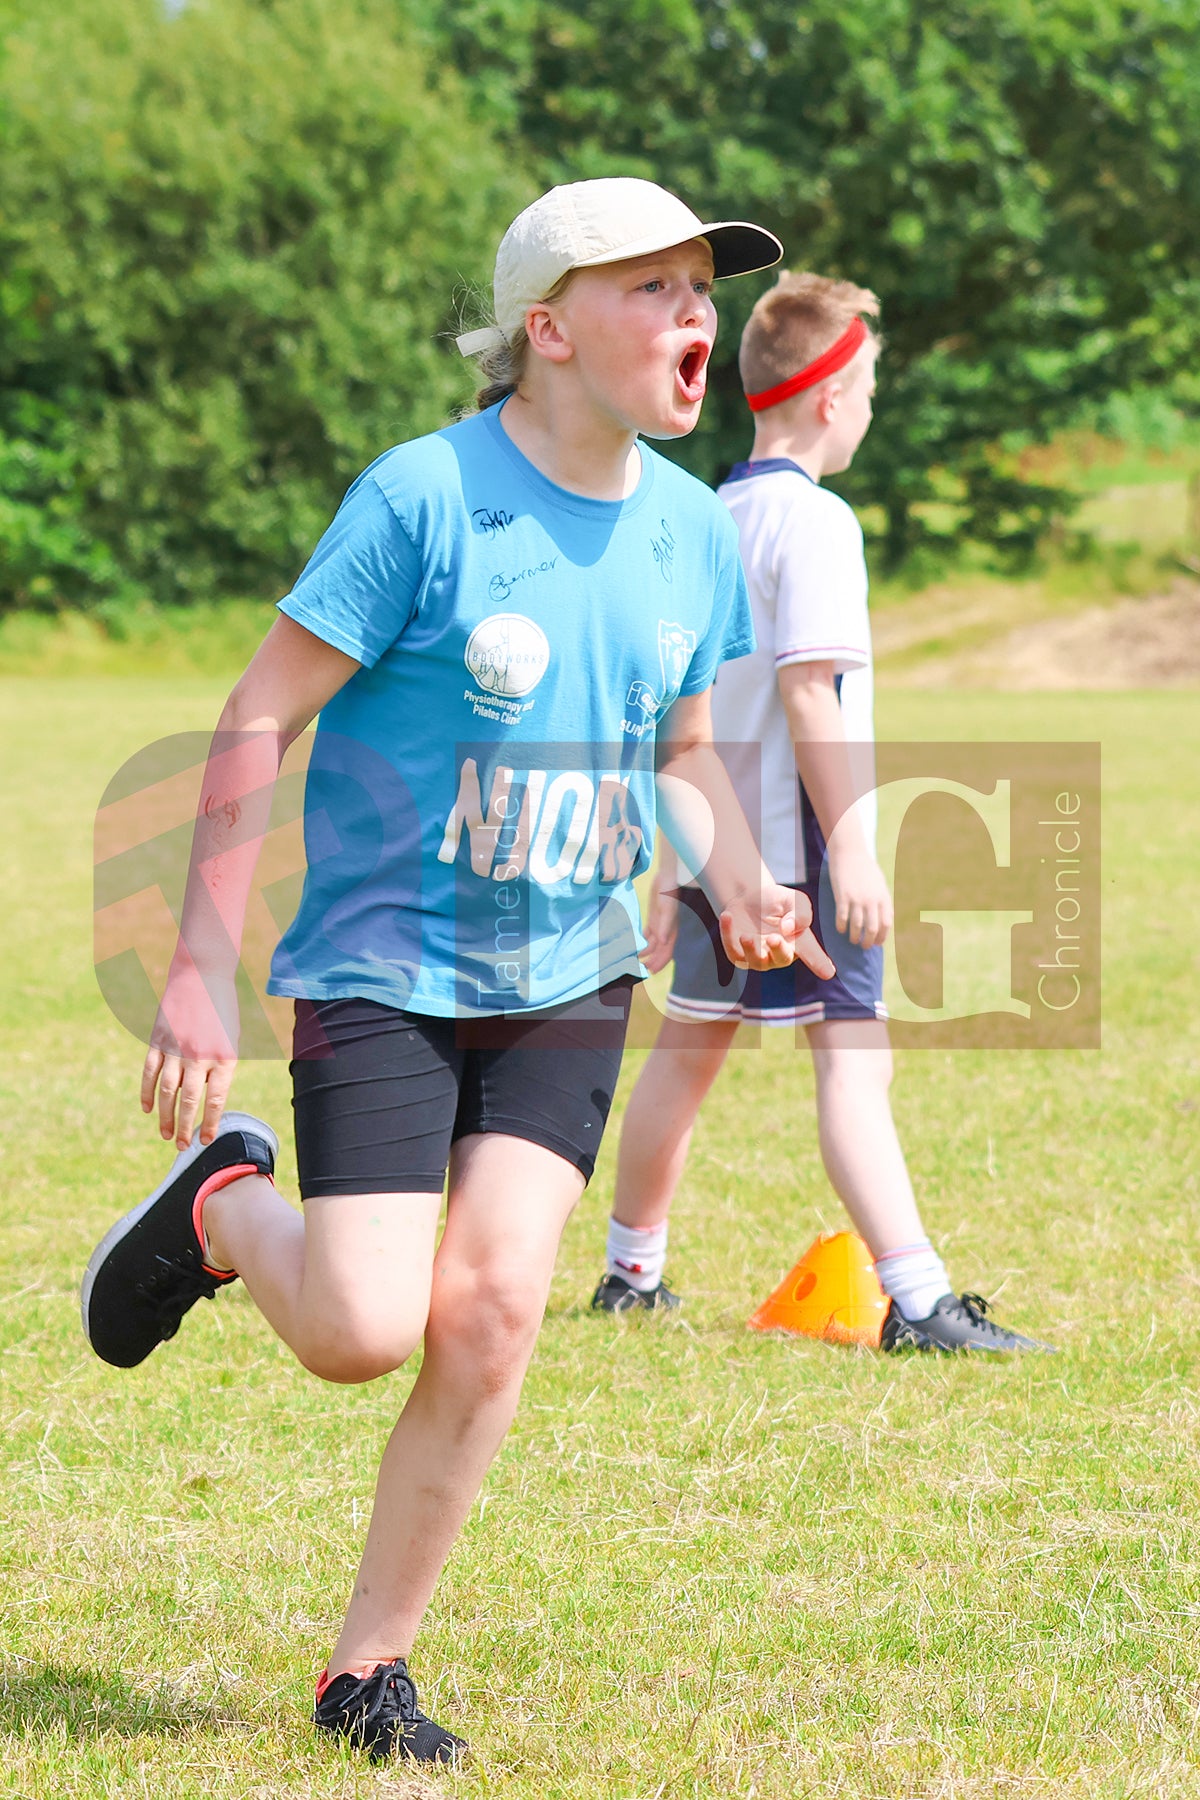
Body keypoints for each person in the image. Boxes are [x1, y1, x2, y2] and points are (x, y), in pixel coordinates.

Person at [80, 180, 839, 1766]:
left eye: (704, 290)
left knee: (489, 1313)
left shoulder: (695, 529)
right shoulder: (422, 501)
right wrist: (196, 976)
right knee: (362, 1329)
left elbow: (684, 749)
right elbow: (252, 715)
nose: (693, 316)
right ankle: (225, 1204)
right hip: (385, 970)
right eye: (654, 288)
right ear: (548, 330)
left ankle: (367, 1670)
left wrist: (745, 876)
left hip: (569, 975)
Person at [591, 270, 1052, 1355]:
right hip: (796, 851)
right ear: (834, 397)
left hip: (718, 851)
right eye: (874, 386)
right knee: (856, 1062)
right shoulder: (818, 523)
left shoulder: (704, 517)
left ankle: (629, 1273)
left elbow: (680, 716)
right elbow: (810, 691)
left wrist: (669, 869)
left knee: (685, 1058)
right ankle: (921, 1301)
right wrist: (853, 844)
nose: (875, 407)